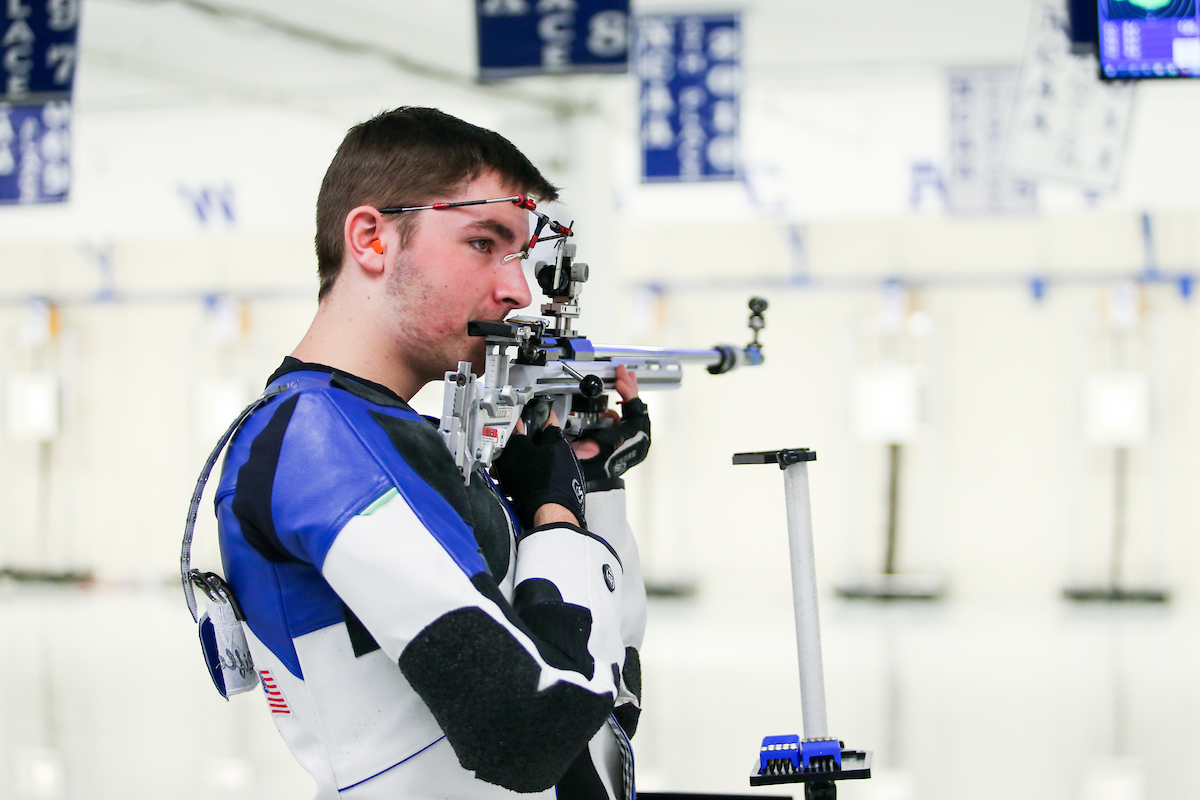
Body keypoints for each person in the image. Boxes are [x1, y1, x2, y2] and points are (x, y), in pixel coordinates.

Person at [213, 107, 649, 800]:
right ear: (371, 238)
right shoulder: (318, 442)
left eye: (521, 255)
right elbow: (527, 728)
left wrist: (593, 485)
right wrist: (555, 515)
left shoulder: (398, 441)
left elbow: (606, 699)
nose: (518, 291)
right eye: (484, 242)